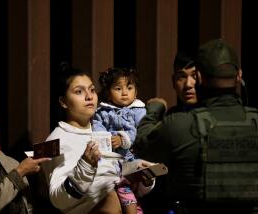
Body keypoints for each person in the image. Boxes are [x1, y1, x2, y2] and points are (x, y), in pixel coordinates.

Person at [134, 38, 258, 214]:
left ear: (199, 77)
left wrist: (153, 111)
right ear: (239, 75)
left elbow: (141, 145)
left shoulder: (180, 124)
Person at [41, 64, 154, 214]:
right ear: (63, 102)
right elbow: (58, 199)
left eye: (92, 90)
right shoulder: (54, 141)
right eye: (79, 91)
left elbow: (119, 182)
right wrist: (85, 166)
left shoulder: (105, 130)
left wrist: (141, 177)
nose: (89, 96)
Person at [135, 52, 199, 213]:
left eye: (194, 76)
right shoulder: (171, 117)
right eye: (181, 77)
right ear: (173, 81)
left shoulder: (214, 116)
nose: (188, 84)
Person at [92, 67, 147, 213]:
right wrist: (107, 139)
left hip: (131, 157)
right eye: (118, 88)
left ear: (135, 91)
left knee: (128, 185)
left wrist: (123, 139)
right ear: (108, 93)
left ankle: (133, 209)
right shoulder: (102, 112)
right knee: (120, 185)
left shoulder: (139, 111)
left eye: (129, 88)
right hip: (111, 158)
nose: (124, 93)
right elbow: (97, 128)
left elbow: (141, 132)